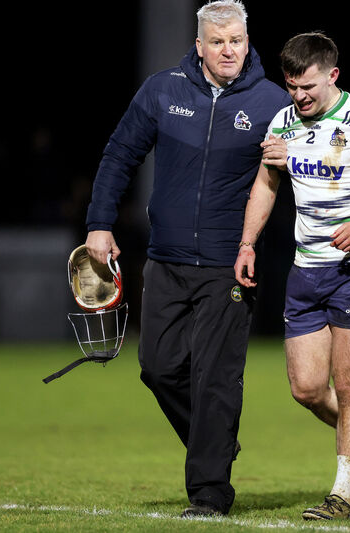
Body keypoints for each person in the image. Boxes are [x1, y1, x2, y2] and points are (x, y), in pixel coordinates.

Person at [83, 0, 290, 518]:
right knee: (158, 368)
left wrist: (297, 157)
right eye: (217, 41)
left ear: (248, 42)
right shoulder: (161, 89)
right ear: (198, 45)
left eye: (236, 41)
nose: (228, 51)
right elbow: (119, 154)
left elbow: (312, 163)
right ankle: (215, 444)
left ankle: (210, 493)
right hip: (166, 259)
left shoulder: (273, 102)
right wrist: (100, 222)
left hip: (228, 264)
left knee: (215, 378)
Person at [234, 32, 350, 521]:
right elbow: (266, 185)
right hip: (306, 269)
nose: (299, 96)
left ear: (333, 75)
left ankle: (341, 495)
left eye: (307, 86)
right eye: (291, 86)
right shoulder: (284, 121)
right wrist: (247, 244)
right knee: (306, 388)